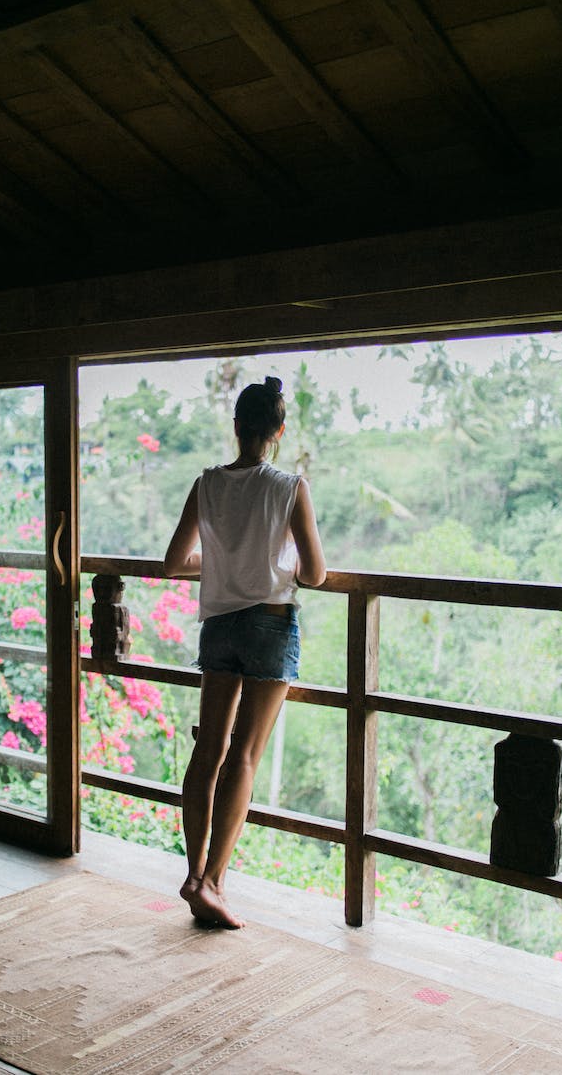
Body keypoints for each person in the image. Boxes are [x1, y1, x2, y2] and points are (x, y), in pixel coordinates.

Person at [163, 375, 326, 928]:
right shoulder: (289, 487)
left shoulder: (206, 484)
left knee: (207, 749)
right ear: (278, 431)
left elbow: (173, 562)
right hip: (270, 625)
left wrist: (226, 566)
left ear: (236, 426)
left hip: (219, 628)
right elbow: (317, 573)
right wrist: (272, 566)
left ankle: (192, 874)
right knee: (245, 756)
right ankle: (212, 883)